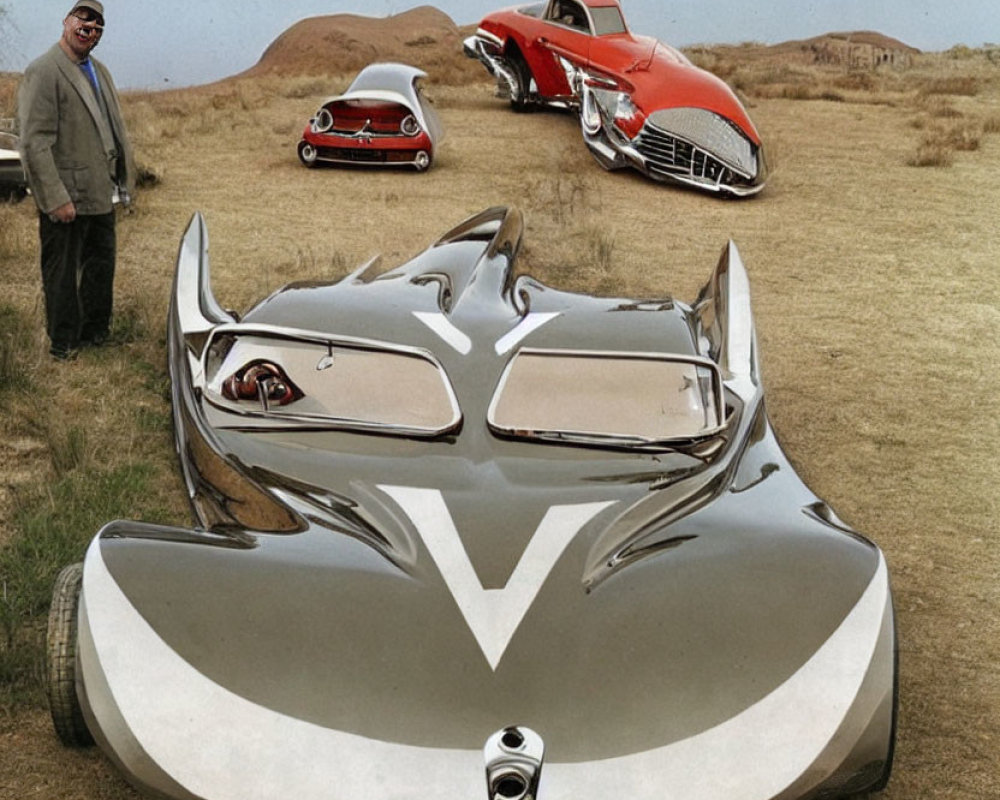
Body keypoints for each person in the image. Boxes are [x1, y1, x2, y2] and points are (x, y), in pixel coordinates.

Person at [18, 0, 135, 360]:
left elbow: (111, 128)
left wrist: (123, 183)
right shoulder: (44, 70)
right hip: (66, 195)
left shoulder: (99, 70)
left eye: (98, 25)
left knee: (101, 264)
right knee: (62, 271)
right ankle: (63, 343)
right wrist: (55, 198)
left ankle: (95, 333)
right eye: (83, 19)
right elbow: (34, 141)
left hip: (101, 191)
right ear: (66, 21)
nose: (90, 28)